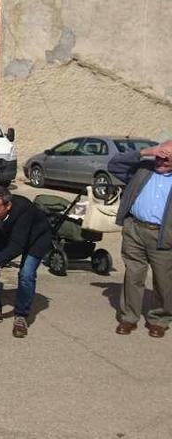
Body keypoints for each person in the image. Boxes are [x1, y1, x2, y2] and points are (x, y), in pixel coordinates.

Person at [0, 185, 52, 338]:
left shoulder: (24, 209)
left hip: (36, 239)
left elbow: (17, 246)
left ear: (8, 206)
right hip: (4, 235)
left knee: (26, 274)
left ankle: (21, 315)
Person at [108, 140, 172, 338]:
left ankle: (159, 319)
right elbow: (114, 165)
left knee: (163, 280)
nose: (161, 161)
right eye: (159, 156)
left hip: (163, 234)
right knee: (133, 275)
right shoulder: (143, 169)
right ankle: (129, 317)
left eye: (167, 158)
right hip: (135, 229)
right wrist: (146, 151)